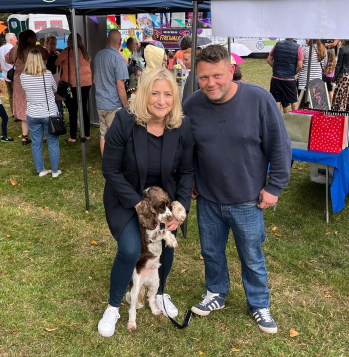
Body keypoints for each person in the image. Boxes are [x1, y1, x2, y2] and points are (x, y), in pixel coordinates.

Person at [183, 45, 291, 334]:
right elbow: (187, 147)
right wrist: (190, 178)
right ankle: (216, 292)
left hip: (248, 199)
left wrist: (275, 186)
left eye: (217, 75)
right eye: (203, 77)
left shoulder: (259, 99)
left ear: (231, 70)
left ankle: (259, 304)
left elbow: (280, 145)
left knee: (251, 256)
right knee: (211, 251)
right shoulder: (192, 104)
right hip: (207, 197)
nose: (210, 83)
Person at [98, 67, 194, 338]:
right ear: (143, 93)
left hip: (164, 200)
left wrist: (180, 207)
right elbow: (111, 169)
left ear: (174, 97)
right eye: (154, 93)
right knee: (130, 249)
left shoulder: (181, 125)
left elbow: (186, 172)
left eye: (167, 94)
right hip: (126, 196)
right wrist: (137, 205)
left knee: (166, 244)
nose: (161, 101)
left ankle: (160, 293)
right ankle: (114, 305)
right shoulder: (124, 122)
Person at [20, 49, 61, 178]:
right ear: (41, 61)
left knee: (36, 143)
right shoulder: (47, 74)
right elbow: (55, 89)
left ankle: (41, 170)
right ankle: (55, 171)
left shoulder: (23, 76)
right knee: (53, 143)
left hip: (32, 114)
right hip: (49, 113)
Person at [5, 29, 49, 145]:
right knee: (35, 108)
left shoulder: (16, 49)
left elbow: (7, 58)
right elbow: (46, 54)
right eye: (35, 37)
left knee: (24, 109)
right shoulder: (36, 49)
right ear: (30, 39)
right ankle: (37, 136)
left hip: (19, 82)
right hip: (34, 80)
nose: (36, 40)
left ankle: (24, 137)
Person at [94, 30, 129, 155]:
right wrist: (126, 107)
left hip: (100, 102)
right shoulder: (118, 58)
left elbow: (94, 80)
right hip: (113, 104)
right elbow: (120, 87)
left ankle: (106, 162)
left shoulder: (98, 55)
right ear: (120, 42)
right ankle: (115, 163)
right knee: (116, 136)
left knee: (103, 134)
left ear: (106, 41)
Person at [55, 33, 92, 143]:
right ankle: (87, 134)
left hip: (73, 84)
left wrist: (59, 56)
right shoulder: (84, 51)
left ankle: (73, 136)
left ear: (70, 41)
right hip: (86, 83)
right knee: (83, 109)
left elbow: (57, 62)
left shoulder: (67, 51)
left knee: (72, 110)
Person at [267, 38, 304, 111]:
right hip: (289, 79)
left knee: (276, 100)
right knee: (293, 100)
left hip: (276, 78)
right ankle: (294, 118)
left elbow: (269, 60)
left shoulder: (277, 44)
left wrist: (276, 68)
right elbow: (300, 65)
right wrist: (293, 73)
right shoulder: (298, 47)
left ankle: (277, 119)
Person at [45, 34, 64, 118]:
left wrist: (60, 56)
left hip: (57, 80)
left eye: (54, 44)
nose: (53, 46)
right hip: (48, 81)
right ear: (46, 44)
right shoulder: (44, 55)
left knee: (58, 102)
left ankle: (60, 120)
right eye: (51, 44)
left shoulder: (59, 52)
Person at [0, 33, 18, 120]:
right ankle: (18, 113)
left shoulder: (0, 49)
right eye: (15, 39)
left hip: (5, 74)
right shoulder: (13, 49)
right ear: (11, 40)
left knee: (11, 95)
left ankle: (14, 113)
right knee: (17, 94)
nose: (17, 40)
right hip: (14, 74)